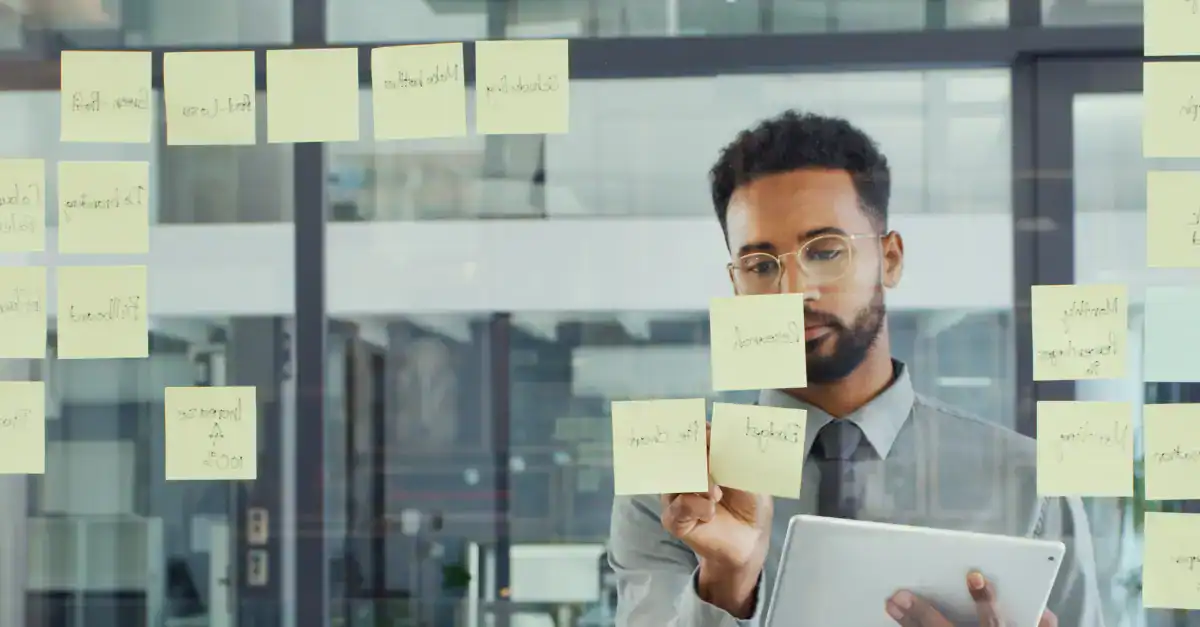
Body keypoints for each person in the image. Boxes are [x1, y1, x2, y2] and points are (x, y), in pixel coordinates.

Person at [607, 111, 1105, 627]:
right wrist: (726, 585)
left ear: (889, 259)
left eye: (825, 251)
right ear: (736, 284)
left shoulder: (1029, 481)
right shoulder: (674, 490)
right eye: (759, 265)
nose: (794, 289)